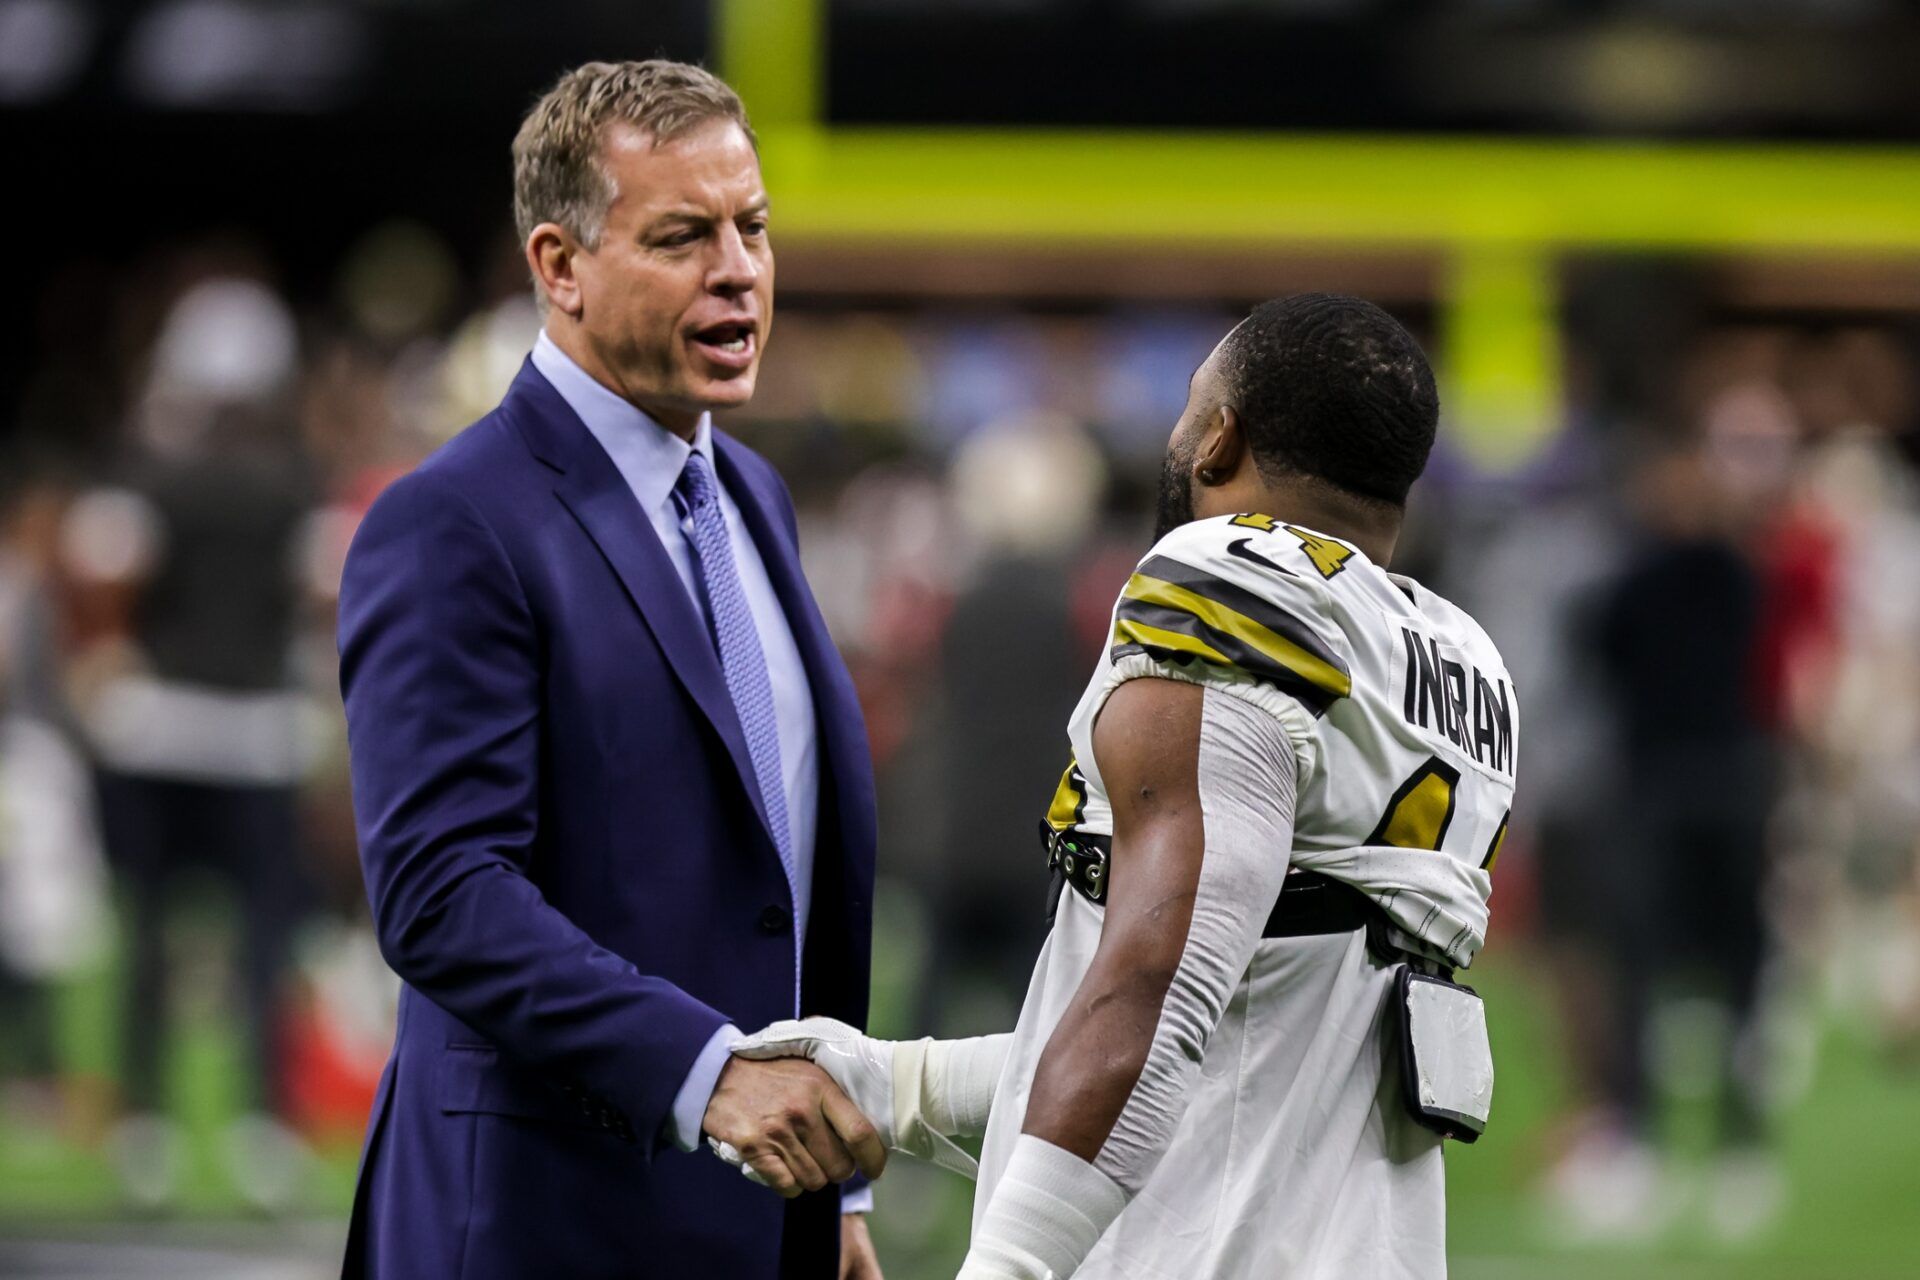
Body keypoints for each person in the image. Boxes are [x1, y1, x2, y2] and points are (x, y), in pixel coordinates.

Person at [726, 295, 1516, 1278]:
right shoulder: (1455, 658)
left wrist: (1005, 1265)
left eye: (1190, 406)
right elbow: (1250, 1042)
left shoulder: (1221, 578)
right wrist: (902, 1082)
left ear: (1218, 435)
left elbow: (1157, 996)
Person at [337, 61, 885, 1279]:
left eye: (753, 227)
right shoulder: (453, 521)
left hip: (758, 1212)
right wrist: (708, 1074)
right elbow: (441, 889)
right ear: (560, 267)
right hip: (542, 1221)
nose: (737, 267)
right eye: (684, 235)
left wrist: (835, 1192)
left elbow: (778, 867)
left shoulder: (751, 493)